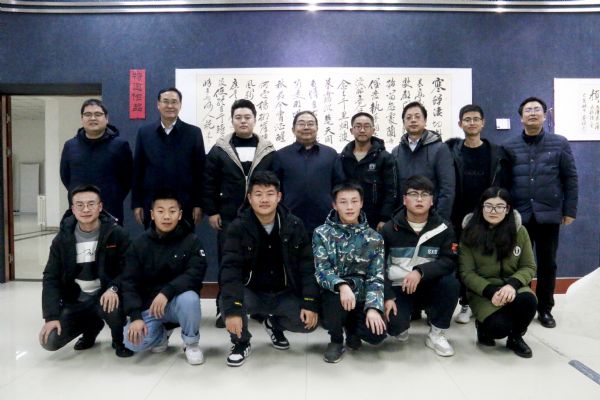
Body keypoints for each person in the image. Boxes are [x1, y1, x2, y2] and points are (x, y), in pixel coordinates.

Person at [219, 171, 319, 367]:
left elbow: (307, 266)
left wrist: (309, 302)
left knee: (309, 323)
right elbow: (230, 270)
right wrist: (233, 310)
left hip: (284, 294)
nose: (264, 199)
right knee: (228, 303)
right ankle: (241, 342)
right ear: (249, 198)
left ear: (279, 196)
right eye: (258, 194)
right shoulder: (238, 227)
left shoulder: (294, 224)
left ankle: (274, 324)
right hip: (252, 293)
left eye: (270, 194)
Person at [503, 97, 578, 328]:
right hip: (519, 216)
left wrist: (569, 210)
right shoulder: (510, 146)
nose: (533, 113)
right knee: (516, 263)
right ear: (521, 117)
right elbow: (504, 182)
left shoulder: (559, 143)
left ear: (545, 116)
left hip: (549, 214)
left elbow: (570, 178)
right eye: (528, 110)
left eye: (537, 110)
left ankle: (545, 309)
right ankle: (518, 305)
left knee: (547, 263)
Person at [203, 99, 276, 327]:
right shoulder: (219, 150)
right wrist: (212, 211)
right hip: (227, 216)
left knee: (259, 261)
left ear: (254, 120)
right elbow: (208, 183)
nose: (243, 121)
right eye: (238, 117)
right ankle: (224, 308)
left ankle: (258, 308)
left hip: (260, 217)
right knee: (228, 261)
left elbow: (276, 183)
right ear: (232, 120)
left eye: (247, 117)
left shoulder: (267, 150)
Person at [39, 185, 132, 357]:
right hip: (76, 299)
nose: (86, 209)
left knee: (112, 307)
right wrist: (51, 317)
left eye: (91, 204)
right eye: (80, 205)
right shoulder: (62, 239)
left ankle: (118, 340)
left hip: (106, 295)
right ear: (73, 209)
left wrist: (113, 288)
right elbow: (50, 277)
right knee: (49, 340)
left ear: (100, 206)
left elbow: (129, 269)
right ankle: (92, 326)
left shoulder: (117, 234)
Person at [121, 190, 207, 365]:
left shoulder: (191, 241)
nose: (166, 216)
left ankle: (191, 344)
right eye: (160, 211)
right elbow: (129, 282)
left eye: (172, 211)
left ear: (180, 215)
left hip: (176, 302)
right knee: (132, 342)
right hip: (149, 306)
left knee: (190, 299)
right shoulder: (139, 244)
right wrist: (135, 316)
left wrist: (167, 292)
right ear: (152, 215)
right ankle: (161, 335)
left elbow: (195, 274)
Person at [446, 104, 512, 324]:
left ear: (483, 123)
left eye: (476, 119)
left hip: (489, 215)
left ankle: (485, 300)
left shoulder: (498, 153)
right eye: (467, 119)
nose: (471, 123)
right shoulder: (452, 151)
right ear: (460, 124)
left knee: (486, 259)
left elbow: (506, 185)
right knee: (463, 261)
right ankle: (465, 303)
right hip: (458, 215)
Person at [381, 175, 459, 357]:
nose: (419, 199)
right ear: (404, 199)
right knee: (394, 328)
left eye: (425, 195)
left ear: (432, 201)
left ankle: (437, 334)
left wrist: (421, 271)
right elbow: (378, 267)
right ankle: (403, 323)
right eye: (413, 194)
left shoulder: (443, 228)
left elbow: (450, 260)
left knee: (451, 283)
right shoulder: (389, 229)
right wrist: (387, 295)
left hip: (429, 285)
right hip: (399, 287)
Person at [313, 181, 387, 363]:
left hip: (361, 296)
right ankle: (336, 340)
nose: (349, 207)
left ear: (361, 203)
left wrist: (373, 308)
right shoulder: (321, 233)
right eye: (343, 202)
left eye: (354, 201)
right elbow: (322, 270)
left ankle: (352, 329)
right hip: (334, 294)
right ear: (334, 205)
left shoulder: (374, 238)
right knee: (333, 299)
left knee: (376, 334)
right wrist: (342, 285)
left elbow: (376, 277)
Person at [459, 187, 537, 358]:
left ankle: (516, 337)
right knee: (498, 328)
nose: (493, 211)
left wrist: (512, 285)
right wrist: (491, 291)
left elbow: (529, 267)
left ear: (507, 209)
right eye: (488, 206)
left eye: (499, 206)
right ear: (481, 207)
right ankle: (483, 327)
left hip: (512, 286)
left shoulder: (520, 231)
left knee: (529, 301)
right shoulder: (469, 233)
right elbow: (466, 273)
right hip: (483, 291)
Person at [132, 87, 206, 228]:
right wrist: (137, 203)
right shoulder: (144, 133)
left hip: (185, 203)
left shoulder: (193, 133)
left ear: (180, 105)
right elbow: (138, 171)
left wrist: (198, 203)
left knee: (184, 239)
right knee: (153, 239)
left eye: (174, 102)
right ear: (158, 104)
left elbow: (199, 172)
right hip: (152, 203)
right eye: (165, 101)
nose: (170, 106)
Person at [60, 99, 132, 225]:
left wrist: (113, 196)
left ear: (106, 118)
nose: (93, 118)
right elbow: (66, 177)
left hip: (110, 210)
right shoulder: (70, 146)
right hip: (80, 212)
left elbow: (128, 179)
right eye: (88, 114)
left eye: (98, 114)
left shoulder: (120, 145)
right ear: (82, 119)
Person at [275, 111, 340, 236]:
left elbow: (339, 185)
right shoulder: (281, 155)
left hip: (325, 220)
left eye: (310, 124)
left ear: (317, 128)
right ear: (293, 129)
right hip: (289, 219)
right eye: (301, 124)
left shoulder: (331, 154)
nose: (306, 127)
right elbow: (275, 187)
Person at [391, 101, 455, 220]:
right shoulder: (396, 152)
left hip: (432, 216)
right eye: (408, 118)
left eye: (417, 116)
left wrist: (440, 219)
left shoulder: (440, 149)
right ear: (403, 123)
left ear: (425, 121)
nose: (413, 120)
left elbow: (447, 189)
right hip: (403, 217)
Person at [337, 112, 397, 231]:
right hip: (347, 218)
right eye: (358, 126)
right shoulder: (343, 158)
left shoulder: (384, 157)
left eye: (366, 126)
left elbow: (391, 190)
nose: (362, 130)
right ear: (351, 130)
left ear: (373, 130)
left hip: (375, 220)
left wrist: (385, 218)